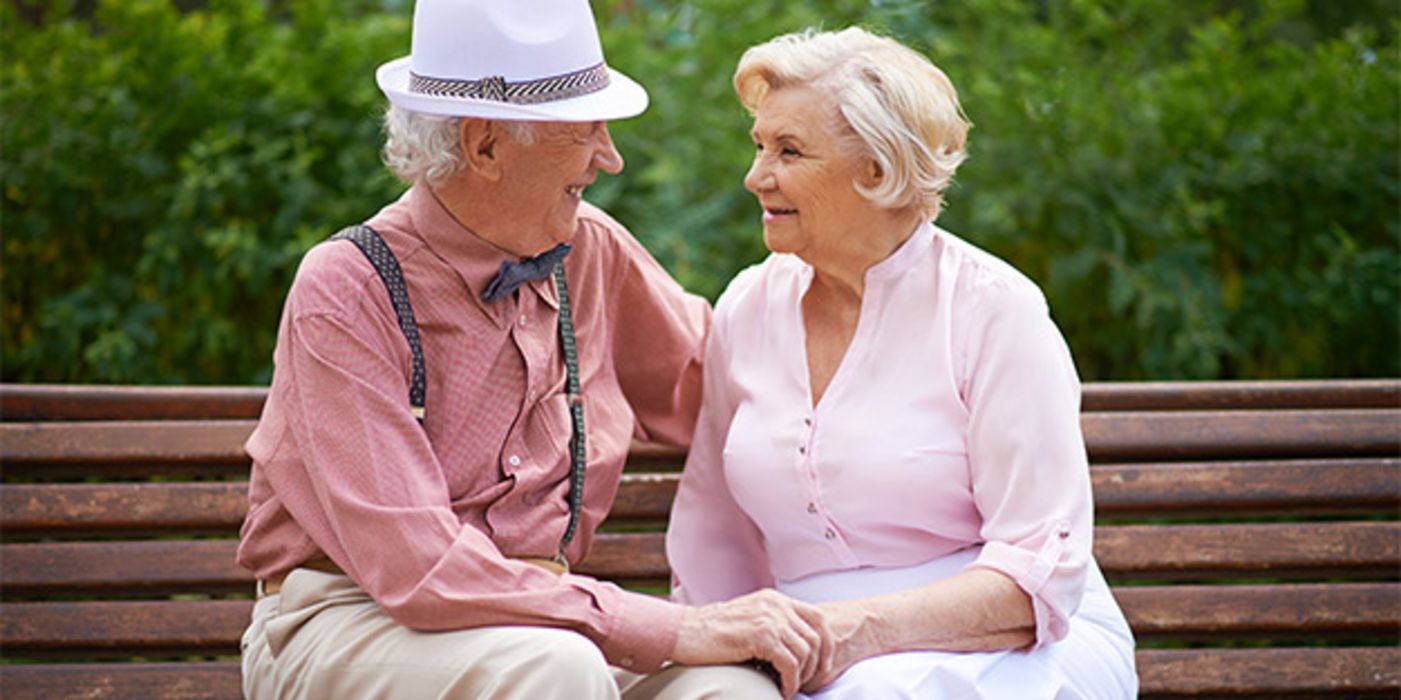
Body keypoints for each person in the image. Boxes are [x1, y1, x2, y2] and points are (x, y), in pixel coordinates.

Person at [237, 2, 832, 698]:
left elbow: (725, 387)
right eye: (585, 129)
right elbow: (415, 569)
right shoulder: (348, 287)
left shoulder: (590, 250)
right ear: (485, 145)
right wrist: (669, 628)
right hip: (346, 619)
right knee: (555, 670)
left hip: (544, 625)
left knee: (733, 689)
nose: (608, 157)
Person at [666, 27, 1138, 699]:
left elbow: (1042, 567)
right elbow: (714, 532)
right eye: (759, 146)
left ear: (878, 170)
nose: (754, 177)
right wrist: (719, 650)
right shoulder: (746, 304)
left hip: (1005, 641)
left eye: (788, 151)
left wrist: (850, 630)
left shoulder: (993, 310)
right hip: (802, 646)